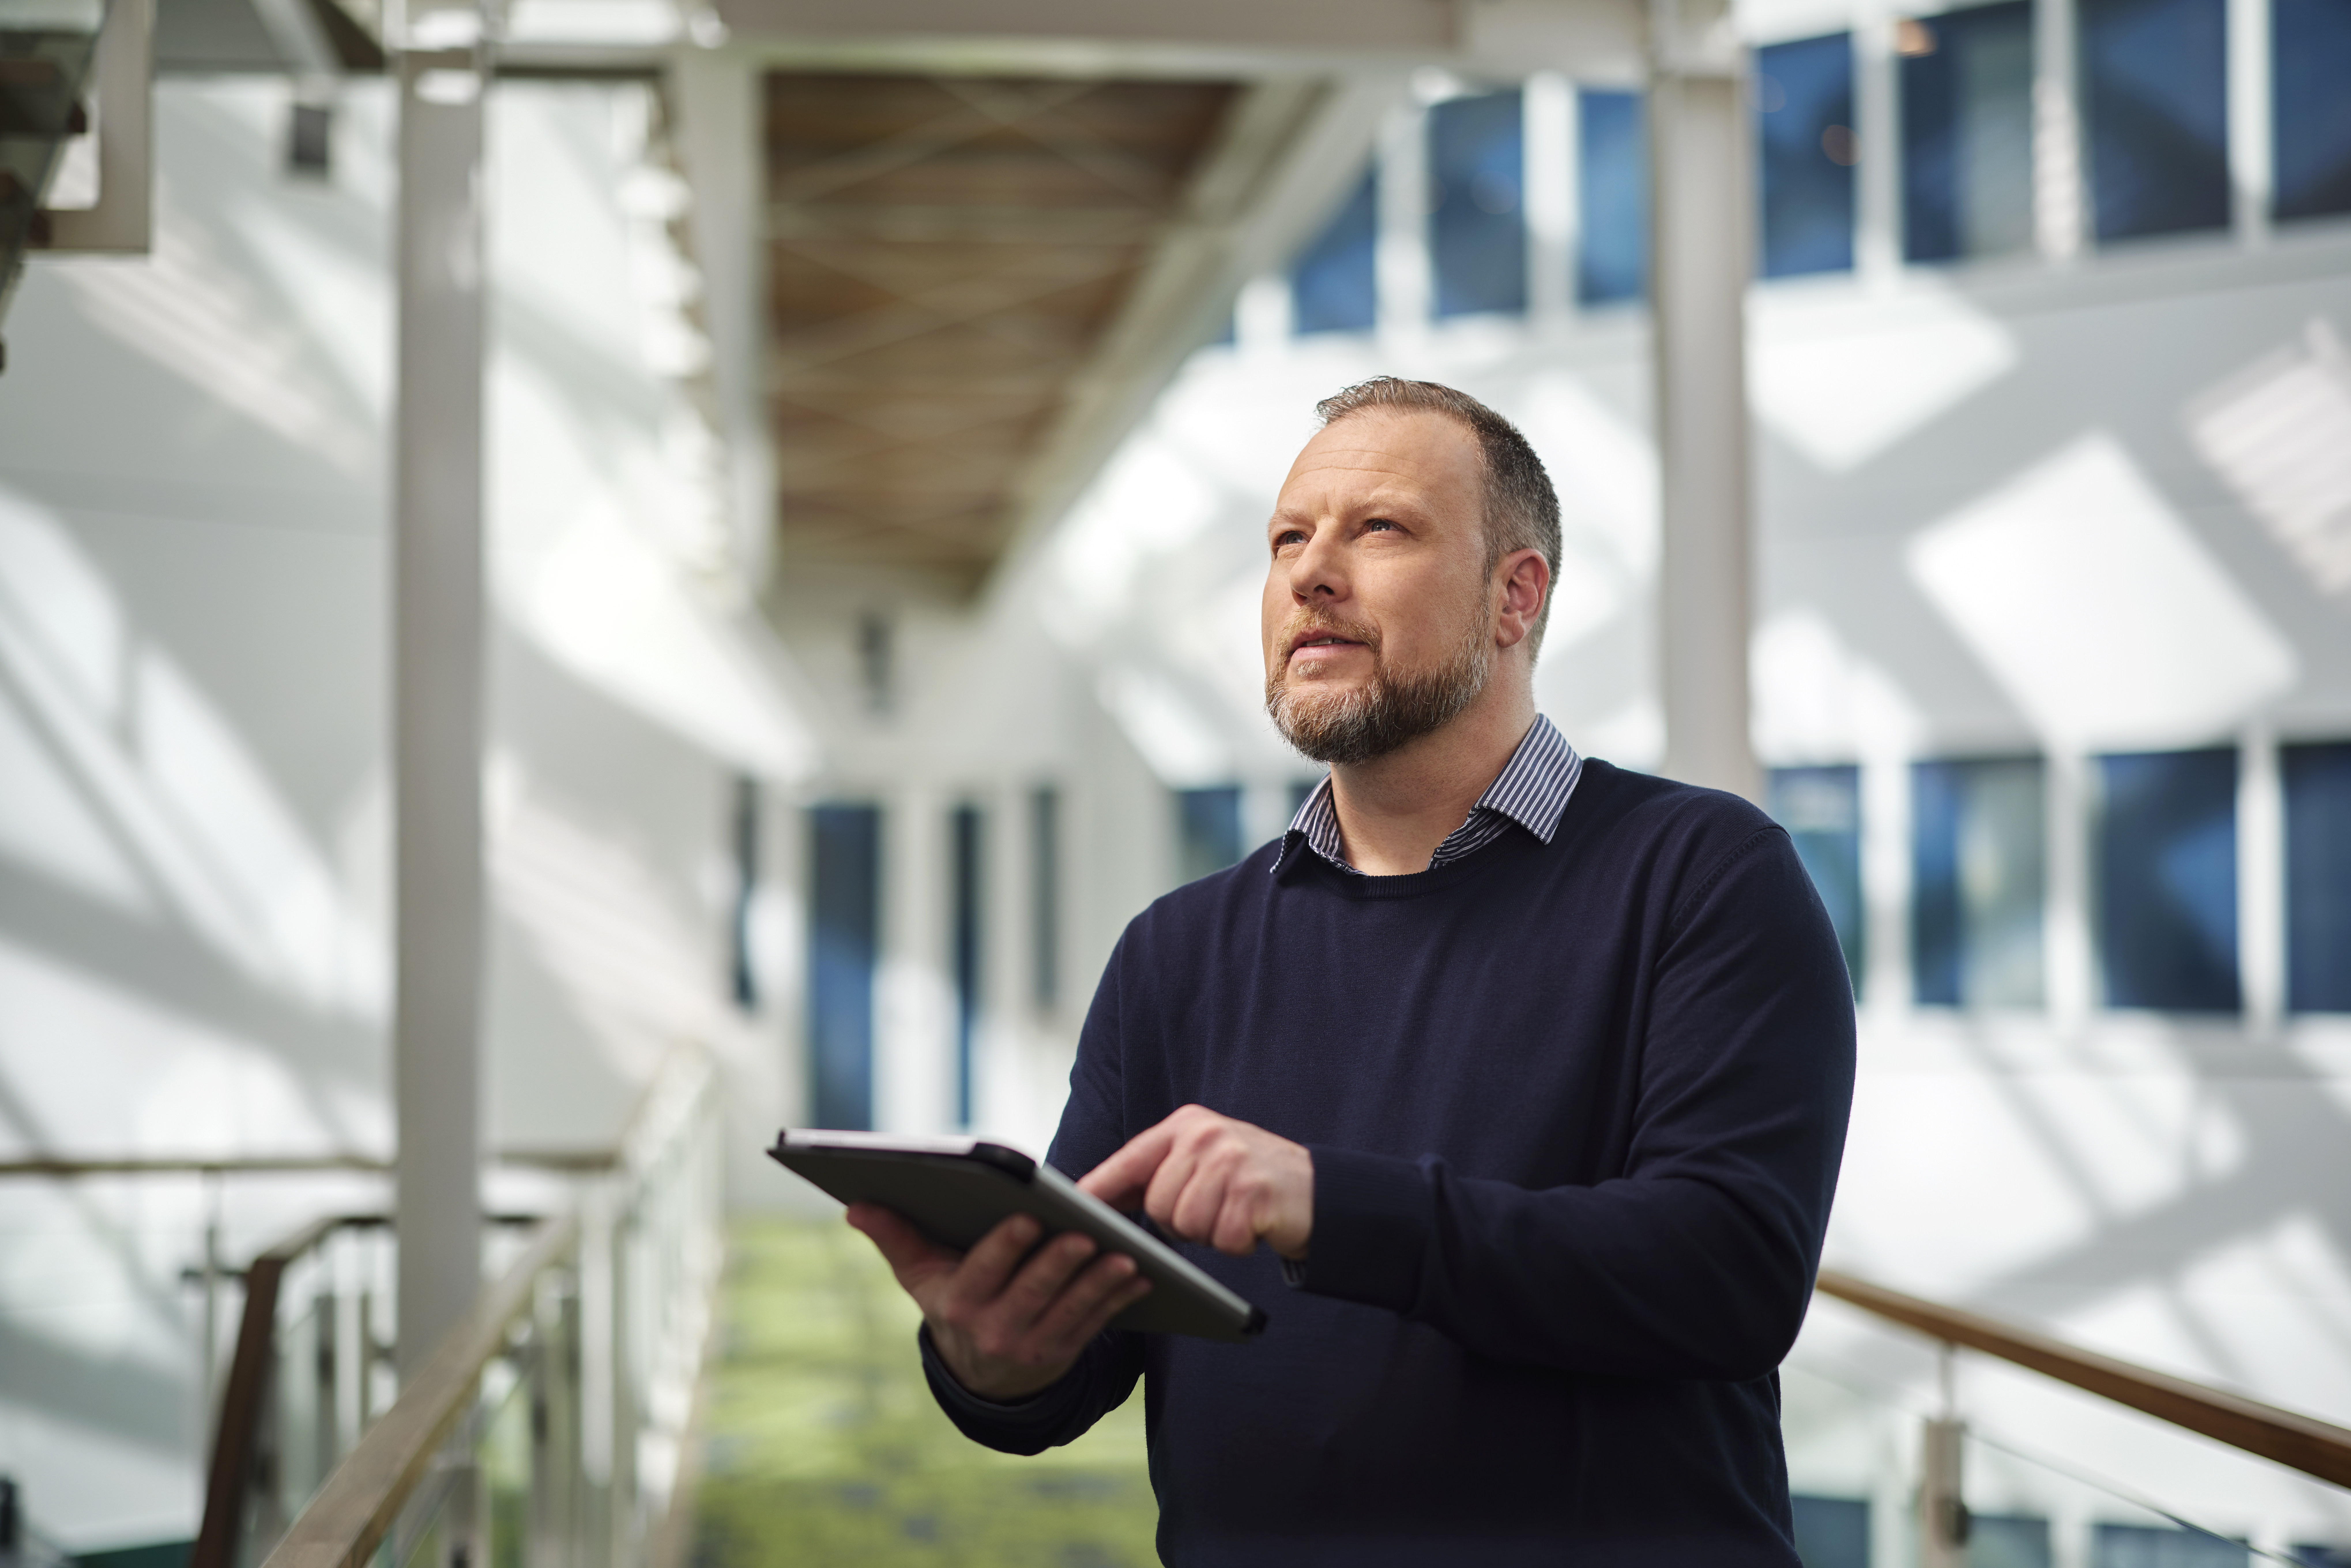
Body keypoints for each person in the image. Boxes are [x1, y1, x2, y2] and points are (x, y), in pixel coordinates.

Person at [847, 377, 1857, 1565]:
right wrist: (993, 1358)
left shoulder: (1702, 874)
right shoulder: (1177, 953)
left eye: (1378, 529)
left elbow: (1725, 1273)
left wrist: (1329, 1204)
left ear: (1512, 597)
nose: (1309, 573)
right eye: (1287, 538)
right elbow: (1079, 1361)